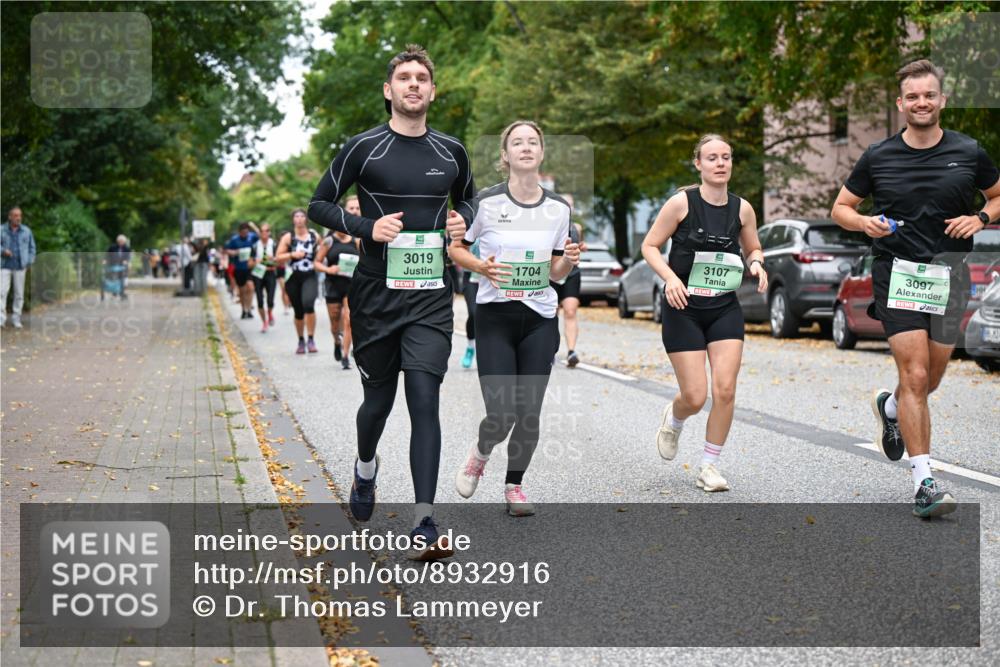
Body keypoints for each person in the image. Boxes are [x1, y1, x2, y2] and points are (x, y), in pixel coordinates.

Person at [307, 44, 475, 560]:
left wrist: (462, 219)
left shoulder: (452, 151)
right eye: (404, 77)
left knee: (424, 399)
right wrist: (366, 227)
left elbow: (467, 197)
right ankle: (364, 468)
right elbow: (318, 204)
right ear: (389, 90)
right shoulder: (364, 148)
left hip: (430, 295)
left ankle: (425, 520)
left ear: (432, 90)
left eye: (422, 77)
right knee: (377, 403)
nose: (413, 85)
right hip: (376, 295)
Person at [831, 59, 1000, 518]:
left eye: (929, 95)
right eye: (913, 96)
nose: (921, 102)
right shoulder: (878, 155)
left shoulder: (969, 151)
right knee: (916, 377)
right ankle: (925, 482)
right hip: (898, 273)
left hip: (949, 273)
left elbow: (998, 195)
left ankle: (890, 410)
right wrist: (865, 222)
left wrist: (981, 217)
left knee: (931, 380)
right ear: (901, 103)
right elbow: (841, 208)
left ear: (942, 100)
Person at [449, 120, 581, 516]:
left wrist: (567, 265)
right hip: (495, 318)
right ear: (505, 156)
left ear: (541, 153)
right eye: (517, 143)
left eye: (533, 142)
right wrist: (481, 267)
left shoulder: (560, 208)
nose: (526, 147)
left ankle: (514, 486)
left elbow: (556, 273)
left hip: (539, 317)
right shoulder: (485, 202)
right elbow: (456, 249)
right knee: (501, 412)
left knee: (529, 412)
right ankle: (481, 451)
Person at [643, 134, 768, 492]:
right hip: (683, 307)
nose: (720, 163)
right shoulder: (681, 203)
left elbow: (753, 246)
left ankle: (709, 467)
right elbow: (649, 245)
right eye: (712, 157)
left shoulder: (742, 208)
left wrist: (757, 263)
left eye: (726, 157)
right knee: (696, 396)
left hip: (724, 307)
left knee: (725, 390)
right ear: (698, 163)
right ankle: (676, 418)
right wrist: (669, 278)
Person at [315, 196, 361, 370]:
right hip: (333, 284)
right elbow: (317, 262)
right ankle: (337, 340)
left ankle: (345, 355)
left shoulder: (356, 240)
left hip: (351, 286)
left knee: (348, 319)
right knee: (335, 322)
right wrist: (329, 270)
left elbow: (364, 262)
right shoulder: (328, 241)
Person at [275, 209, 320, 353]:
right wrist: (292, 254)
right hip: (293, 276)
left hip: (310, 275)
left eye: (302, 216)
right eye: (296, 216)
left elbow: (322, 252)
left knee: (309, 304)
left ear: (306, 219)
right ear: (293, 219)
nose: (299, 219)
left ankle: (311, 339)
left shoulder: (314, 236)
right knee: (298, 310)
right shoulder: (289, 237)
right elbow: (278, 257)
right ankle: (301, 340)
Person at [550, 193, 583, 367]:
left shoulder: (577, 228)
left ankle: (571, 351)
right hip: (552, 273)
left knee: (570, 311)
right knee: (552, 311)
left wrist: (581, 248)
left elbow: (580, 246)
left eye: (570, 205)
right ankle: (550, 348)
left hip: (572, 274)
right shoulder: (549, 226)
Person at [1, 207, 36, 328]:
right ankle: (1, 319)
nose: (18, 218)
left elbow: (32, 248)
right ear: (10, 217)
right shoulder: (1, 230)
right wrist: (2, 251)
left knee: (19, 294)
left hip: (21, 266)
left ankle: (16, 319)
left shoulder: (26, 231)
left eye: (20, 215)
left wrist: (29, 261)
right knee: (2, 292)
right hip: (4, 265)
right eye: (15, 215)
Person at [225, 222, 258, 319]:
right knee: (242, 290)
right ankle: (244, 310)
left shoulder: (252, 237)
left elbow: (261, 235)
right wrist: (235, 252)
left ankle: (249, 309)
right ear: (239, 232)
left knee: (251, 288)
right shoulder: (234, 240)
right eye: (243, 233)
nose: (245, 234)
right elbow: (227, 250)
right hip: (239, 268)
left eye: (247, 232)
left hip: (250, 267)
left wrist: (253, 226)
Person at [249, 223, 278, 333]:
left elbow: (280, 261)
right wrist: (256, 262)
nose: (264, 233)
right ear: (259, 233)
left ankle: (270, 312)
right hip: (258, 274)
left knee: (270, 300)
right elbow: (249, 263)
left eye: (267, 231)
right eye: (262, 231)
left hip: (270, 273)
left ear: (269, 232)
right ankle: (264, 322)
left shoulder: (274, 245)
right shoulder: (255, 246)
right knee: (260, 300)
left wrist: (274, 259)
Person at [459, 240, 481, 369]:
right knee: (473, 312)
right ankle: (470, 347)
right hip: (471, 275)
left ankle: (485, 349)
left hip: (491, 275)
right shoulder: (469, 221)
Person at [106, 234, 132, 299]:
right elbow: (107, 255)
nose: (121, 242)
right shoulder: (112, 247)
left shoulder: (127, 248)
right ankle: (114, 293)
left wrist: (126, 261)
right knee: (114, 279)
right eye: (120, 241)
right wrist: (105, 260)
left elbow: (128, 257)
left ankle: (122, 293)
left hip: (122, 266)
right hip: (113, 265)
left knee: (122, 280)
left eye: (122, 241)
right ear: (118, 241)